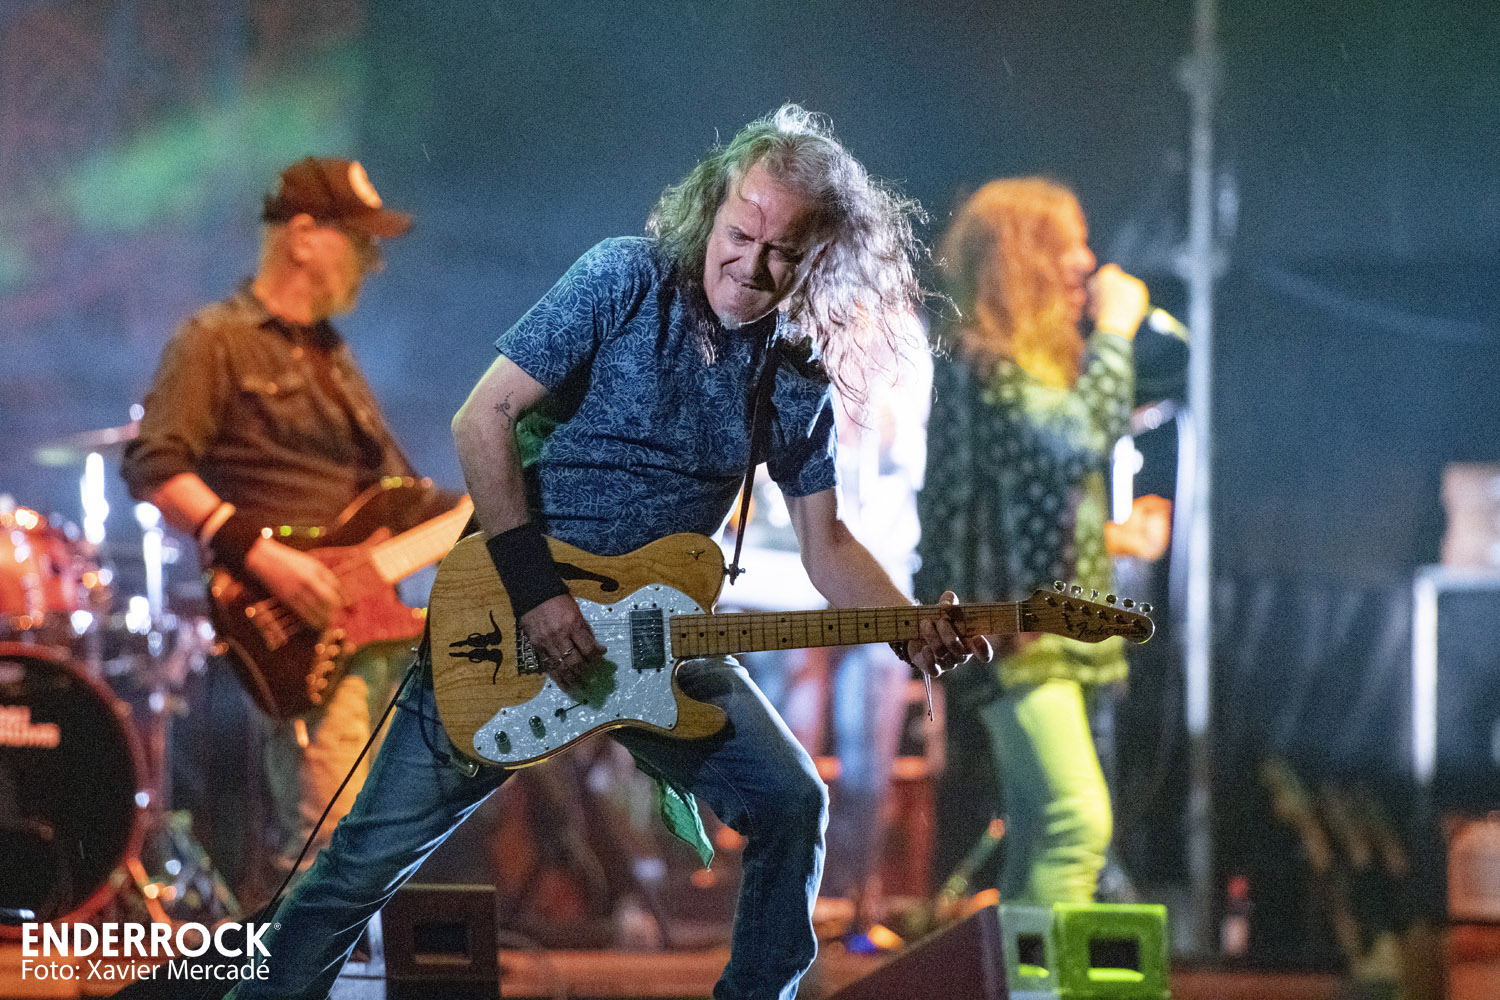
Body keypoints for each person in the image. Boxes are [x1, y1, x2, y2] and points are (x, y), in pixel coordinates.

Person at [229, 105, 984, 1000]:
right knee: (359, 869)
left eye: (784, 252)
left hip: (656, 636)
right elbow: (482, 420)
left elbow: (828, 546)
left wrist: (906, 623)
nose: (752, 266)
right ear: (711, 210)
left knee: (790, 802)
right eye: (740, 235)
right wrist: (539, 594)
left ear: (820, 256)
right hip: (512, 619)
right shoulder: (624, 276)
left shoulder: (795, 375)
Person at [121, 157, 438, 894]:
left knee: (380, 842)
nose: (373, 261)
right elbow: (154, 467)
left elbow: (394, 496)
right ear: (301, 236)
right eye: (359, 240)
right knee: (333, 841)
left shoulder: (332, 356)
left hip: (377, 624)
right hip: (299, 629)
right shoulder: (214, 340)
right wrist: (265, 559)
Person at [915, 177, 1170, 906]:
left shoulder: (1032, 370)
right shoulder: (977, 364)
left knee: (1038, 837)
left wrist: (1113, 532)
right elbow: (1079, 440)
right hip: (1015, 638)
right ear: (1018, 261)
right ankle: (1046, 973)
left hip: (1059, 634)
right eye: (1067, 246)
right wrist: (1115, 329)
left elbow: (1026, 498)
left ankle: (1024, 967)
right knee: (1074, 825)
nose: (1087, 262)